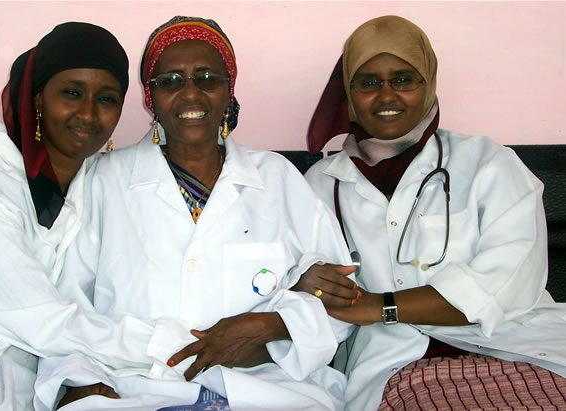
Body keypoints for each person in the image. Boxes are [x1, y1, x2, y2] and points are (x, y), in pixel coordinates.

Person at [32, 16, 357, 411]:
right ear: (150, 98)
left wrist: (268, 330)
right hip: (131, 388)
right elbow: (65, 300)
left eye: (207, 78)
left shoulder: (277, 178)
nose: (190, 95)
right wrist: (80, 378)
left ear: (228, 91)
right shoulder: (102, 180)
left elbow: (339, 302)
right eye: (170, 81)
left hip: (268, 389)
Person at [300, 15, 566, 410]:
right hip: (400, 366)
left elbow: (511, 280)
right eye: (369, 82)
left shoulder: (488, 163)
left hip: (519, 348)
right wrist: (311, 285)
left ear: (428, 83)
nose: (387, 95)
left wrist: (380, 306)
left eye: (404, 79)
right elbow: (316, 294)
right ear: (349, 93)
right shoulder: (321, 185)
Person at [0, 22, 177, 410]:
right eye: (71, 93)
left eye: (106, 99)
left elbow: (100, 296)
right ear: (37, 99)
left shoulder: (96, 181)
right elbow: (42, 319)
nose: (88, 114)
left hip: (42, 371)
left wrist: (83, 375)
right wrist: (178, 345)